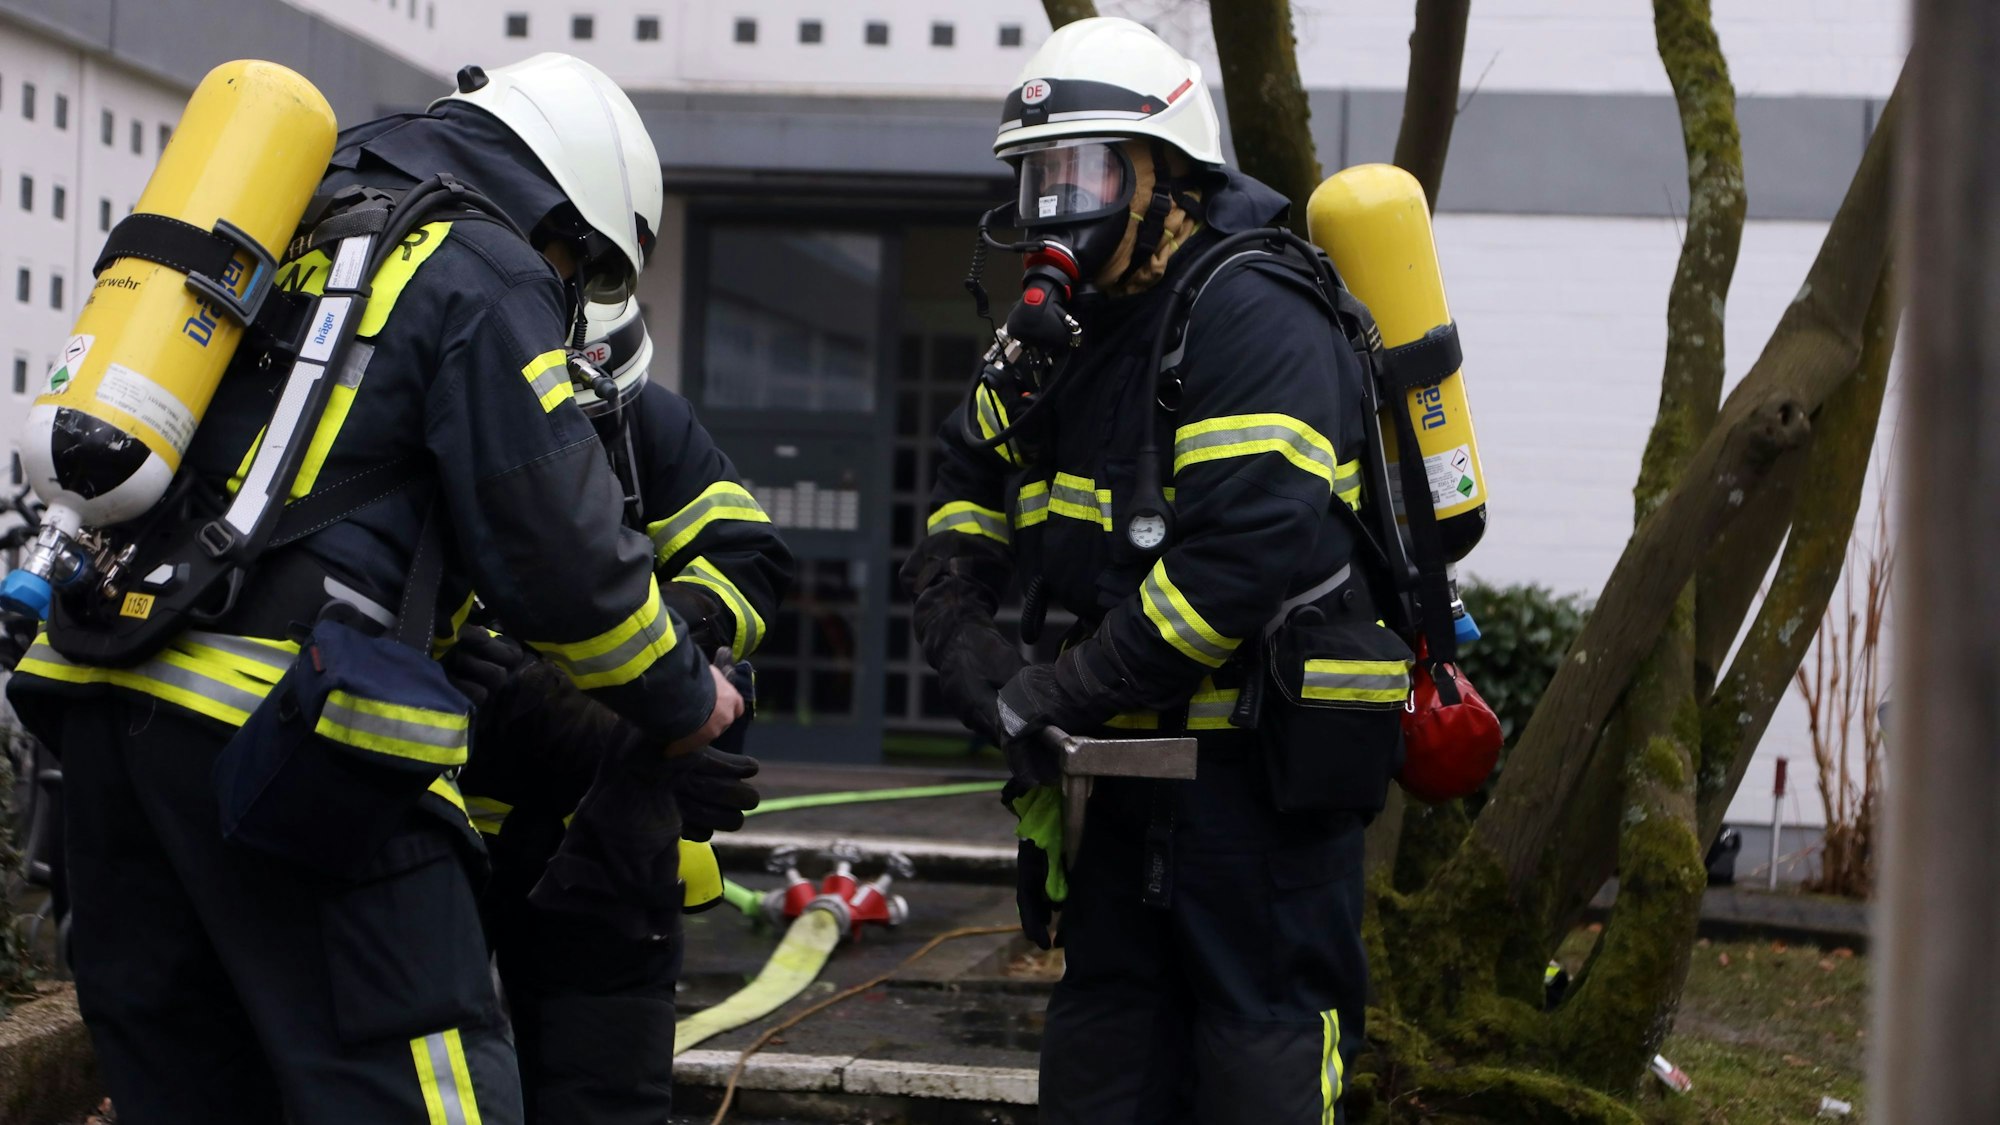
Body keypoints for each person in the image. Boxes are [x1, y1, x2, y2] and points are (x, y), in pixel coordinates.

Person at [6, 54, 741, 1124]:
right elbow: (563, 560)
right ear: (569, 209)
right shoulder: (482, 264)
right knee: (425, 1091)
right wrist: (686, 700)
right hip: (288, 740)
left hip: (98, 711)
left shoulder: (300, 220)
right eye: (576, 266)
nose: (564, 289)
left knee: (200, 1090)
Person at [903, 18, 1405, 1125]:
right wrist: (969, 645)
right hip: (1114, 788)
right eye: (1034, 176)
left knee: (1257, 1061)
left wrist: (1050, 692)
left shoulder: (1255, 314)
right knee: (1103, 1067)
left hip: (1254, 785)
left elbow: (1235, 565)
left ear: (1167, 177)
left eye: (1080, 171)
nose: (1052, 206)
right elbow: (962, 487)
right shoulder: (1058, 335)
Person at [446, 299, 793, 1124]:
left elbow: (745, 557)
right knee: (440, 1085)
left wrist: (673, 654)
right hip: (445, 826)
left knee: (608, 1095)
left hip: (605, 842)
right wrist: (653, 729)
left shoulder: (650, 425)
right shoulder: (446, 410)